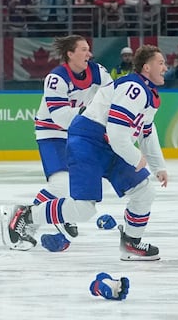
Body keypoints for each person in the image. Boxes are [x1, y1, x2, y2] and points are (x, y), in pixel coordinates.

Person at [3, 45, 168, 260]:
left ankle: (131, 243)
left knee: (144, 190)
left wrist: (159, 166)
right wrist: (137, 158)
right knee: (83, 209)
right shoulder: (133, 89)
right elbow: (117, 133)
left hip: (107, 144)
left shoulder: (148, 94)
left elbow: (146, 131)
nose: (165, 67)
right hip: (88, 141)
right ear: (147, 67)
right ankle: (26, 215)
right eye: (161, 63)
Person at [20, 35, 113, 251]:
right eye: (83, 49)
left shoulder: (98, 71)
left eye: (88, 49)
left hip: (80, 133)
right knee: (61, 184)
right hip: (52, 132)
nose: (89, 54)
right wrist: (91, 113)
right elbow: (60, 117)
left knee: (97, 181)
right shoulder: (56, 78)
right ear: (70, 54)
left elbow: (113, 97)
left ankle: (63, 212)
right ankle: (25, 220)